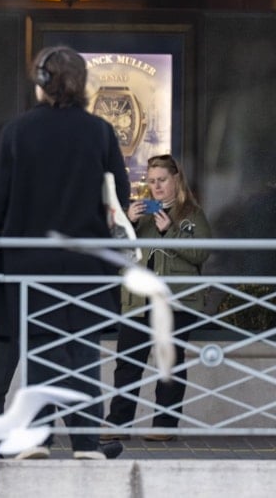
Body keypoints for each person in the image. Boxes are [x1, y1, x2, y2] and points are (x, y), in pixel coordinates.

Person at [0, 46, 129, 460]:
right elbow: (118, 196)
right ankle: (86, 442)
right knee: (84, 350)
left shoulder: (17, 132)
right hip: (86, 261)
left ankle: (38, 437)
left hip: (29, 261)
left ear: (40, 83)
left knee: (40, 350)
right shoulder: (99, 132)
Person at [103, 154, 211, 441]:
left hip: (177, 301)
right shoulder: (141, 213)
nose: (157, 187)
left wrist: (170, 231)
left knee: (169, 362)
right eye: (151, 181)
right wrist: (127, 221)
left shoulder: (192, 214)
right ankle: (118, 424)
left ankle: (164, 425)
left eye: (162, 180)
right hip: (138, 300)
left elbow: (202, 253)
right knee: (128, 363)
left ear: (176, 178)